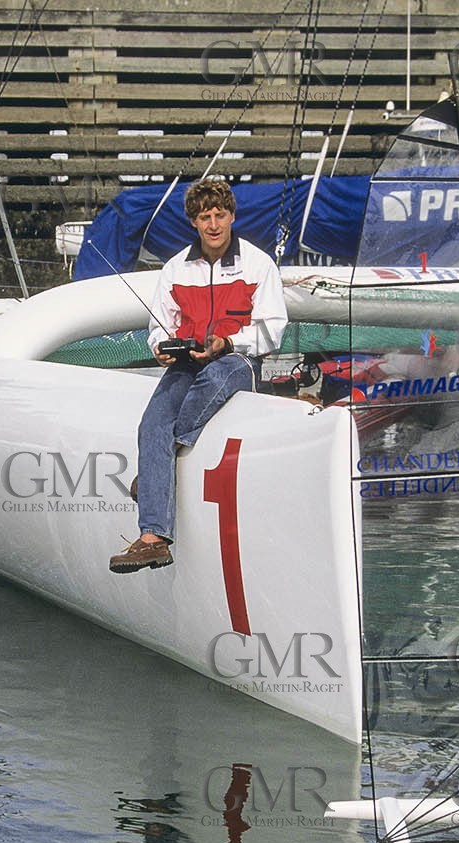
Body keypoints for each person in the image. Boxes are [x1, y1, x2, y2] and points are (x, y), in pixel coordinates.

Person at [109, 178, 286, 573]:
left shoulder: (258, 264)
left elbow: (273, 329)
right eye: (205, 217)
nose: (213, 224)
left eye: (220, 215)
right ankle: (153, 539)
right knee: (152, 422)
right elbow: (158, 324)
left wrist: (228, 342)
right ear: (193, 222)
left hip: (239, 359)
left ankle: (155, 475)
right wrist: (160, 346)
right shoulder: (176, 268)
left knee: (212, 381)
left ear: (232, 216)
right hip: (187, 361)